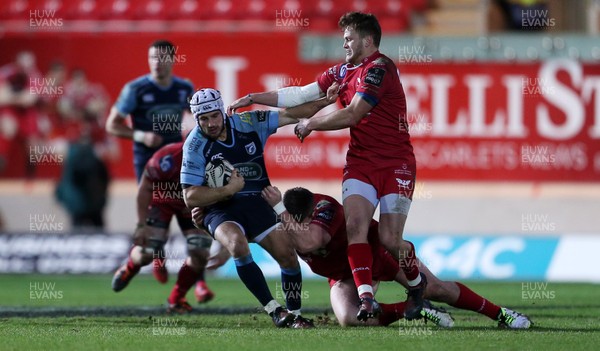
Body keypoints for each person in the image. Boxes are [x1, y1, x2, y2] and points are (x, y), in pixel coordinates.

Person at [229, 12, 426, 322]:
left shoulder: (379, 69)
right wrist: (254, 97)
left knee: (390, 240)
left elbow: (353, 114)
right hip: (360, 162)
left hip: (396, 163)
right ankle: (366, 300)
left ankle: (417, 285)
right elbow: (301, 93)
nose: (344, 43)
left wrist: (311, 124)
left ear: (367, 40)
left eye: (348, 38)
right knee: (355, 228)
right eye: (343, 38)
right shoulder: (343, 70)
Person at [260, 186, 532, 329]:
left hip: (376, 252)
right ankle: (414, 309)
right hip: (343, 274)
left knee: (437, 288)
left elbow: (313, 240)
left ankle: (502, 314)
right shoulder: (281, 219)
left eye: (301, 220)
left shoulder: (325, 207)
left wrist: (283, 217)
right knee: (349, 319)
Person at [181, 88, 335, 328]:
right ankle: (275, 311)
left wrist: (327, 100)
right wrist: (227, 191)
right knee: (236, 244)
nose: (210, 123)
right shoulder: (193, 146)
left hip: (257, 201)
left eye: (214, 116)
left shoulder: (248, 123)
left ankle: (294, 315)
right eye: (203, 119)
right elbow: (190, 197)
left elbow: (292, 115)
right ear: (196, 119)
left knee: (288, 257)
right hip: (220, 209)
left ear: (223, 111)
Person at [105, 39, 194, 283]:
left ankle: (195, 282)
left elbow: (198, 117)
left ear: (173, 61)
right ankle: (156, 256)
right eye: (153, 58)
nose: (157, 63)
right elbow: (111, 124)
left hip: (177, 161)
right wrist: (140, 135)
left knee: (188, 214)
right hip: (148, 164)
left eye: (163, 58)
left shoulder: (184, 88)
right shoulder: (136, 89)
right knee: (155, 212)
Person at [111, 141, 217, 312]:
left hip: (195, 205)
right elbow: (145, 187)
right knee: (146, 252)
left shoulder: (218, 159)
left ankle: (176, 299)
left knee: (200, 252)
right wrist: (141, 224)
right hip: (162, 201)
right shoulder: (166, 158)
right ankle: (130, 267)